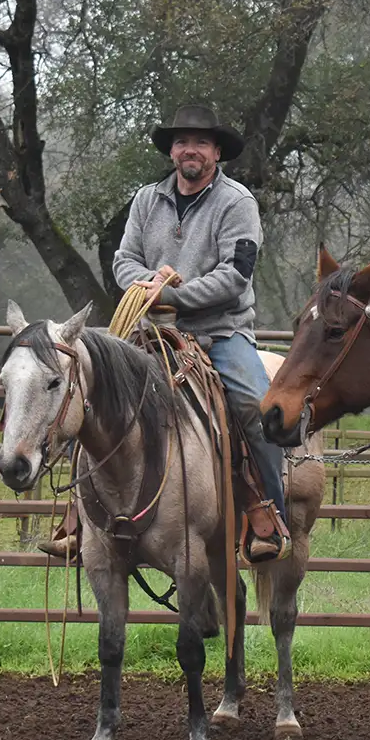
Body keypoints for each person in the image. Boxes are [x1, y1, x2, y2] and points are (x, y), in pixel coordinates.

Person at [113, 103, 290, 563]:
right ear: (172, 151)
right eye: (182, 142)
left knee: (256, 407)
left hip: (220, 334)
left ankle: (268, 516)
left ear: (216, 153)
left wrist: (175, 295)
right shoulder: (146, 199)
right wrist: (147, 286)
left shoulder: (238, 203)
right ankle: (80, 518)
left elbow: (236, 275)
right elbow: (123, 258)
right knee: (91, 387)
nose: (190, 150)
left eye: (201, 142)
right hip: (149, 331)